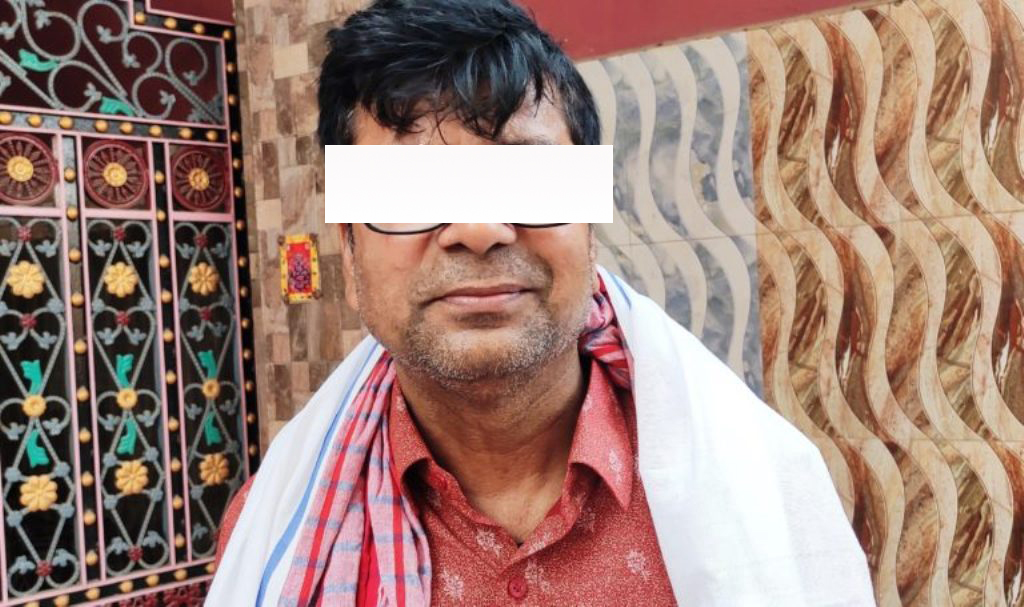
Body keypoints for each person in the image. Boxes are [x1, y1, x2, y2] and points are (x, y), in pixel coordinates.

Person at [207, 0, 875, 605]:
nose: (478, 228)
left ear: (589, 230)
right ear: (349, 254)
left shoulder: (761, 499)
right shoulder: (267, 537)